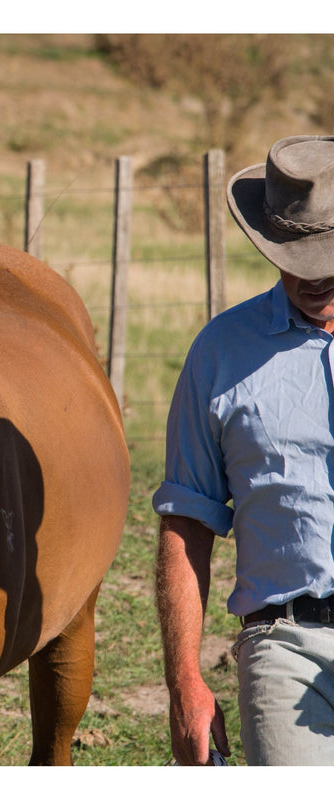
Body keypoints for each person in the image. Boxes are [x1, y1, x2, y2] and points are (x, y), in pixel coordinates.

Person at [153, 135, 334, 766]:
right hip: (284, 643)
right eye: (297, 257)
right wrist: (185, 683)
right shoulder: (220, 354)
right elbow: (185, 523)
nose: (315, 277)